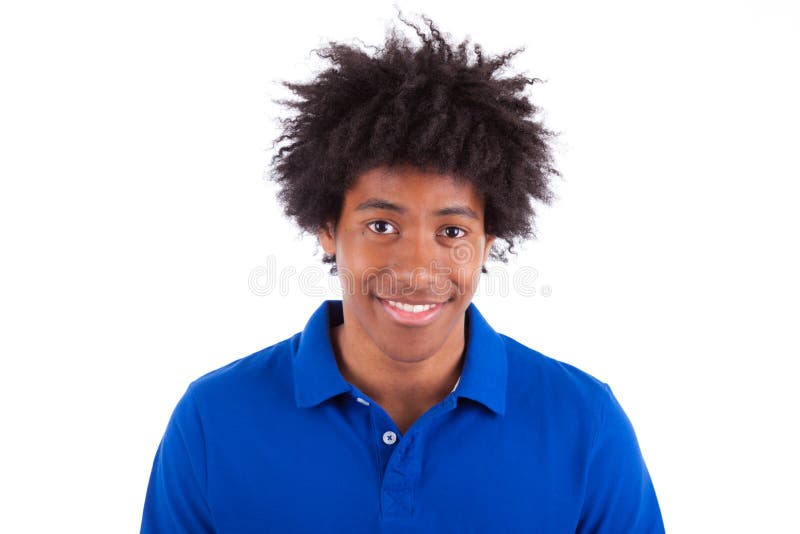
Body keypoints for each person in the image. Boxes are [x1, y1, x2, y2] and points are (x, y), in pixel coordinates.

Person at [141, 14, 664, 533]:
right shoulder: (214, 421)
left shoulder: (584, 425)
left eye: (452, 232)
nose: (416, 270)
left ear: (489, 240)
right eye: (382, 225)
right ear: (327, 227)